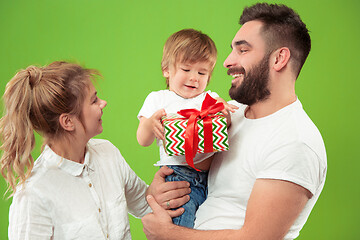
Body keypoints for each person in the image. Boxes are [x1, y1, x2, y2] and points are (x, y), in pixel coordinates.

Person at [141, 3, 327, 240]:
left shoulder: (295, 142)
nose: (227, 62)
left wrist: (169, 233)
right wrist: (158, 191)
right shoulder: (232, 113)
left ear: (279, 58)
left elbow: (256, 238)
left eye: (243, 50)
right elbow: (193, 168)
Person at [0, 61, 189, 239]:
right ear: (68, 122)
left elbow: (144, 203)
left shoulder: (108, 153)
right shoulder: (34, 193)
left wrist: (154, 193)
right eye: (94, 100)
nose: (103, 103)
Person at [137, 29, 237, 228]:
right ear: (167, 70)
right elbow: (143, 139)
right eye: (186, 70)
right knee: (179, 227)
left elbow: (223, 128)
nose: (194, 78)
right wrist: (151, 124)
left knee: (208, 228)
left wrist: (224, 114)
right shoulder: (159, 99)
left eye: (202, 73)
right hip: (178, 176)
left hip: (212, 180)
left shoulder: (209, 98)